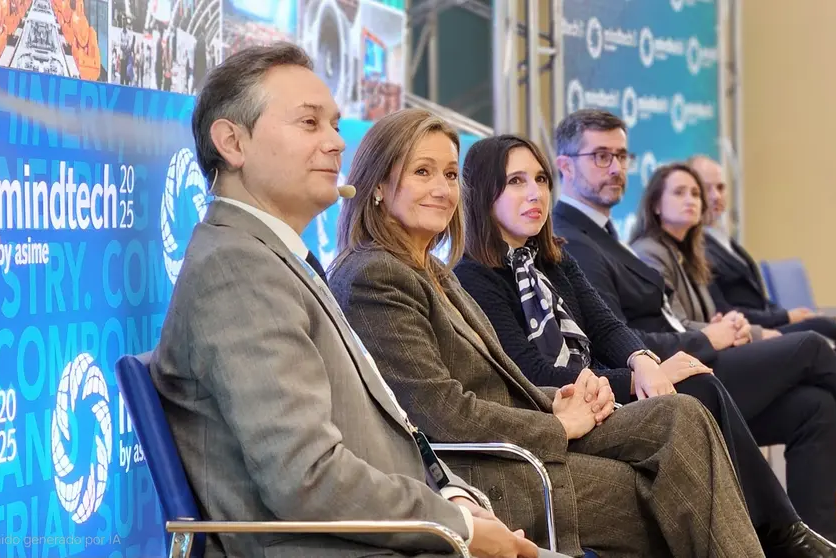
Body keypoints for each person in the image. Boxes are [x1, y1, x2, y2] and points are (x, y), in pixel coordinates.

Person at [151, 42, 564, 558]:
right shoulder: (238, 269)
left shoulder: (271, 258)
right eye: (309, 124)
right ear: (232, 142)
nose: (336, 143)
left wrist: (454, 494)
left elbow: (381, 431)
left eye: (334, 123)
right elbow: (306, 476)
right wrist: (457, 525)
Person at [327, 107, 765, 558]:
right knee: (657, 489)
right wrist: (556, 422)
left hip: (517, 435)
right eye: (423, 172)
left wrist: (557, 399)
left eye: (451, 174)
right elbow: (442, 414)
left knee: (681, 414)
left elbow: (508, 377)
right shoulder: (375, 275)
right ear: (378, 185)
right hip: (478, 467)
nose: (442, 189)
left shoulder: (432, 269)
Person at [451, 133, 836, 557]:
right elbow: (533, 375)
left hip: (602, 391)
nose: (535, 194)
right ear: (483, 190)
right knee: (702, 387)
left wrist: (643, 362)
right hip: (562, 409)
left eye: (541, 181)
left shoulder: (553, 258)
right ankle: (785, 537)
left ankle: (785, 536)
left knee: (719, 384)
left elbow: (607, 327)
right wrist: (632, 380)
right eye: (516, 182)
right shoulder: (474, 274)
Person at [550, 109, 836, 551]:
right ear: (565, 165)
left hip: (691, 357)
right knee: (810, 345)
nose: (615, 168)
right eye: (601, 156)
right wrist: (709, 337)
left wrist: (718, 329)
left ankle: (821, 539)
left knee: (813, 405)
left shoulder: (604, 235)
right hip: (669, 375)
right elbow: (618, 338)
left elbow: (656, 318)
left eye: (623, 156)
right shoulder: (572, 240)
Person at [688, 154, 836, 397]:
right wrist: (786, 316)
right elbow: (723, 310)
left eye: (721, 187)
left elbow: (758, 298)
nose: (716, 196)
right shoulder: (698, 248)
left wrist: (789, 316)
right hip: (748, 334)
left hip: (766, 322)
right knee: (823, 326)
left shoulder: (725, 241)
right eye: (706, 189)